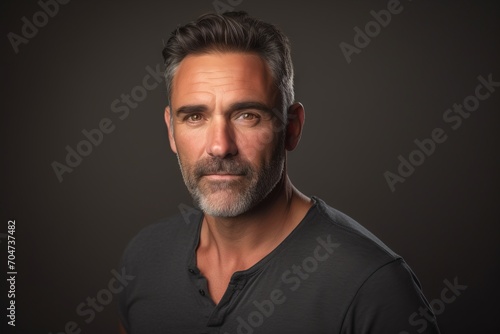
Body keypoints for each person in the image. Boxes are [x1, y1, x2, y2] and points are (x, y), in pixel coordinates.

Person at [118, 11, 440, 334]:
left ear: (292, 128)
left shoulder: (373, 288)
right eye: (195, 117)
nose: (219, 146)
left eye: (247, 115)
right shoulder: (143, 260)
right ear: (171, 131)